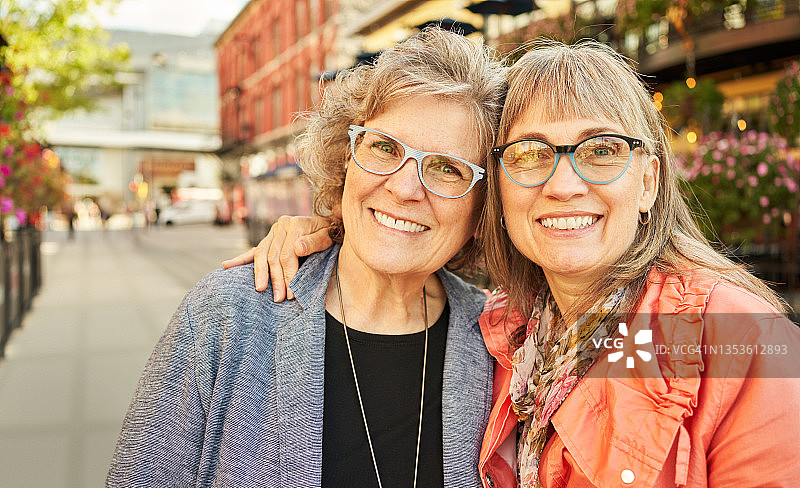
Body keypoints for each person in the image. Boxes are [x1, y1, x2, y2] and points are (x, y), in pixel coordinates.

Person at [226, 40, 800, 487]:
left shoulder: (741, 340)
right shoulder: (508, 333)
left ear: (648, 180)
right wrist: (333, 231)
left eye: (601, 150)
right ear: (499, 192)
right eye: (531, 154)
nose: (564, 184)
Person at [107, 27, 506, 488]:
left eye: (446, 168)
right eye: (383, 148)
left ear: (484, 207)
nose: (403, 187)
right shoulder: (229, 315)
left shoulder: (500, 339)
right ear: (345, 161)